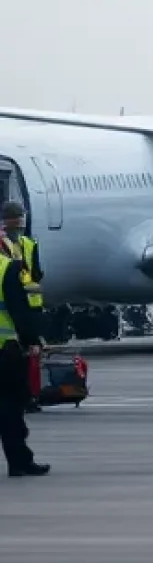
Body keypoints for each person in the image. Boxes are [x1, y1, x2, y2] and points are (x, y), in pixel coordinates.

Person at [0, 240, 48, 476]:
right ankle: (18, 461)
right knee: (10, 407)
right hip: (6, 351)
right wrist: (32, 341)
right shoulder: (7, 269)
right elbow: (19, 312)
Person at [0, 199, 45, 327]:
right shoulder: (2, 244)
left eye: (21, 216)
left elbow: (35, 273)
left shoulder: (29, 243)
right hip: (11, 297)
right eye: (16, 217)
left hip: (31, 300)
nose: (21, 222)